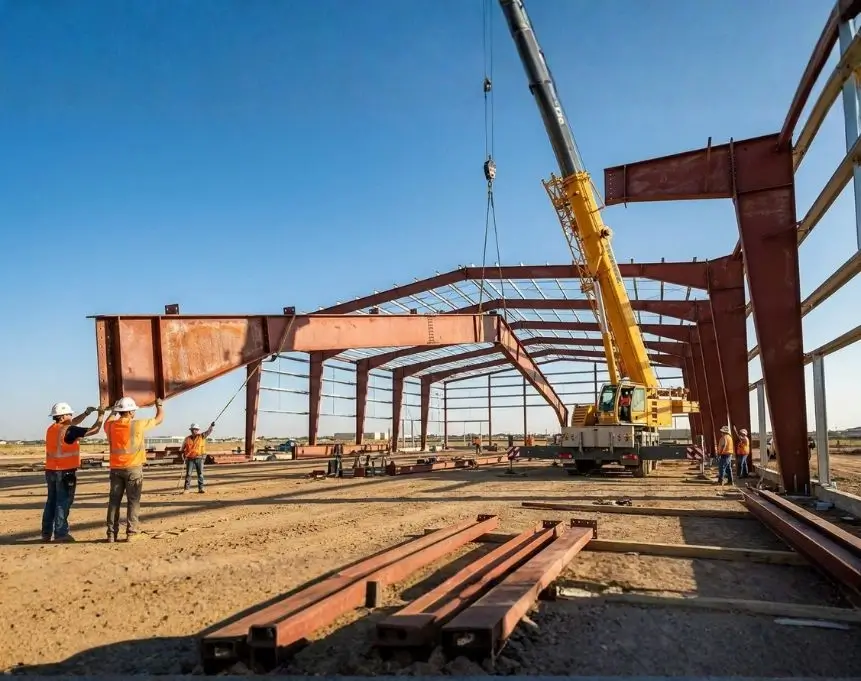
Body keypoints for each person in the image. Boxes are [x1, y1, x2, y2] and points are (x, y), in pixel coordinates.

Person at [42, 402, 107, 543]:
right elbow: (94, 430)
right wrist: (101, 415)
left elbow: (71, 425)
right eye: (69, 414)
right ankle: (61, 534)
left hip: (51, 471)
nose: (71, 416)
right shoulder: (68, 430)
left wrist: (86, 413)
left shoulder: (52, 429)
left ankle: (46, 534)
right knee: (63, 502)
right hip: (65, 472)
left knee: (51, 502)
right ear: (63, 416)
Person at [103, 396, 164, 542]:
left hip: (116, 469)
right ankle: (131, 533)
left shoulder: (110, 426)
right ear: (130, 412)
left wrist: (113, 410)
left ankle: (111, 534)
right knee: (133, 502)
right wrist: (159, 405)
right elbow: (159, 418)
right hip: (133, 469)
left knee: (114, 502)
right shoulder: (138, 425)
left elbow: (107, 421)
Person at [181, 422, 215, 494]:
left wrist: (211, 426)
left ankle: (201, 488)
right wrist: (183, 455)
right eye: (193, 429)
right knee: (188, 474)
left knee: (200, 474)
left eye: (195, 429)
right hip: (190, 458)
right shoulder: (187, 439)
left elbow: (208, 431)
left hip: (199, 458)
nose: (194, 431)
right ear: (191, 430)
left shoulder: (201, 436)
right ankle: (186, 489)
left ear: (197, 430)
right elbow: (182, 448)